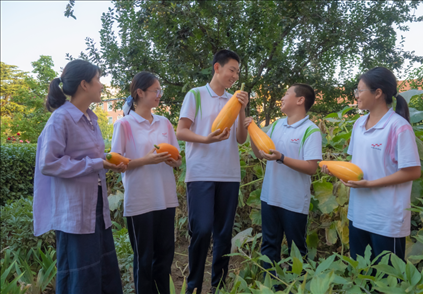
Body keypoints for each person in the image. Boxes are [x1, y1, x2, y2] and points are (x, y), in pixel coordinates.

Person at [33, 59, 126, 294]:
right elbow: (49, 163)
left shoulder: (90, 119)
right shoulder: (61, 118)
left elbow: (88, 157)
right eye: (98, 80)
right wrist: (98, 162)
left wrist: (109, 160)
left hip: (95, 206)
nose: (102, 85)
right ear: (84, 84)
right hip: (74, 213)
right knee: (81, 277)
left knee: (101, 272)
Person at [321, 67, 421, 262]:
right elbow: (356, 165)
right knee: (362, 276)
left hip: (386, 219)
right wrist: (336, 171)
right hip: (358, 215)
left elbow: (413, 171)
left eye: (360, 90)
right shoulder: (358, 124)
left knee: (388, 282)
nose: (356, 95)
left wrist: (370, 184)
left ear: (378, 93)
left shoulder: (398, 127)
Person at [176, 49, 249, 293]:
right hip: (201, 174)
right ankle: (194, 285)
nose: (235, 76)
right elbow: (181, 131)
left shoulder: (233, 100)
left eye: (238, 72)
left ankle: (219, 285)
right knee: (202, 229)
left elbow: (240, 139)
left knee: (223, 235)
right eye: (232, 70)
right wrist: (206, 140)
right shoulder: (195, 95)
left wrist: (241, 108)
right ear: (217, 67)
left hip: (229, 174)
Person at [111, 72, 182, 294]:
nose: (160, 95)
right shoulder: (124, 124)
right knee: (144, 260)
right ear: (139, 93)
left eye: (160, 91)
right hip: (140, 200)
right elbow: (115, 162)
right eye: (156, 91)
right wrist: (146, 161)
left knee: (164, 258)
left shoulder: (165, 123)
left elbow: (178, 161)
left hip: (165, 198)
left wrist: (172, 161)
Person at [245, 83, 322, 269]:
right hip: (270, 197)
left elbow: (312, 167)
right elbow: (259, 153)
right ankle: (271, 285)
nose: (282, 97)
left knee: (296, 252)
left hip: (293, 202)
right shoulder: (278, 124)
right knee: (269, 247)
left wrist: (281, 157)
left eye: (286, 93)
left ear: (300, 99)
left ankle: (296, 287)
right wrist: (251, 131)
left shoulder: (311, 130)